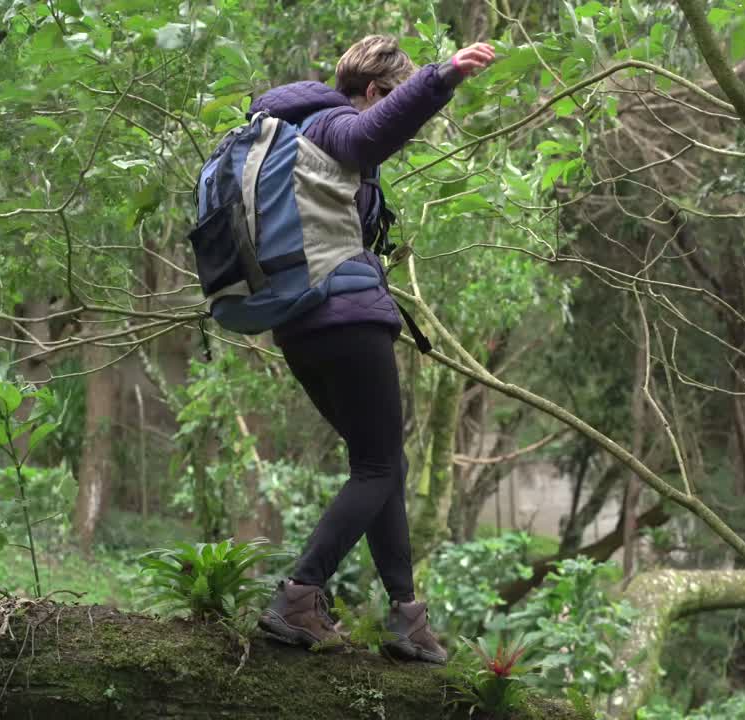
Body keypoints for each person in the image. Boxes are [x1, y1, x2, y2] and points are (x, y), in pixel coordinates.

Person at [252, 35, 495, 664]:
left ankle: (406, 619)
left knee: (381, 460)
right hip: (345, 318)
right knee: (380, 465)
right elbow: (368, 137)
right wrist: (439, 79)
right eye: (391, 99)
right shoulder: (334, 123)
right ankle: (301, 595)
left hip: (301, 325)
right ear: (374, 92)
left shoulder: (292, 134)